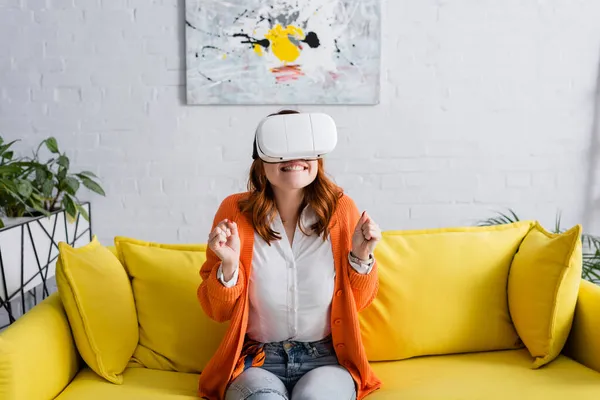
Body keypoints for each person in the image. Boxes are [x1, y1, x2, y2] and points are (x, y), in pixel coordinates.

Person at [197, 110, 382, 400]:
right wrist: (229, 267)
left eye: (304, 150)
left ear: (318, 158)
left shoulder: (343, 210)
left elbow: (358, 304)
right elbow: (216, 311)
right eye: (281, 151)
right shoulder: (234, 211)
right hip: (256, 360)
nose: (293, 159)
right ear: (260, 160)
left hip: (325, 359)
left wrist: (360, 258)